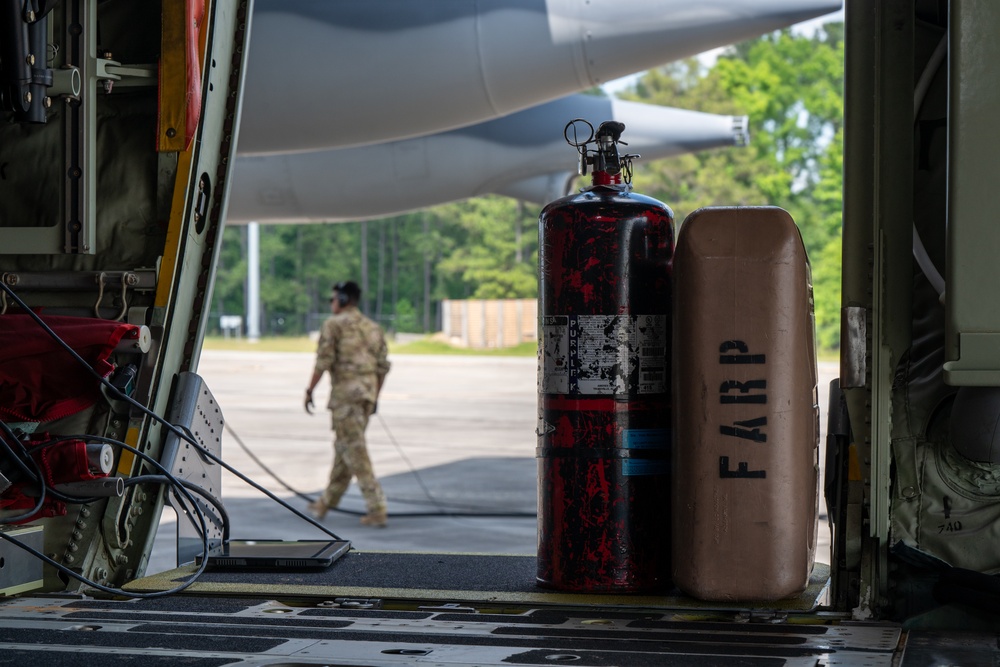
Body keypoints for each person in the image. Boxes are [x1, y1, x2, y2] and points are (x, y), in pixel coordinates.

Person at [304, 280, 390, 527]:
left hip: (346, 400)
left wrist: (310, 390)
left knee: (355, 451)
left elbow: (323, 361)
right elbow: (382, 368)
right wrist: (375, 397)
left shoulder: (333, 325)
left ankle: (376, 507)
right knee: (345, 448)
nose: (331, 304)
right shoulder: (373, 328)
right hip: (365, 398)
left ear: (341, 300)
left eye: (332, 299)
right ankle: (326, 503)